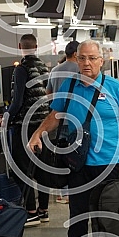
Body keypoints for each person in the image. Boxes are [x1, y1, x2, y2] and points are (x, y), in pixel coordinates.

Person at [28, 40, 119, 237]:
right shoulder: (69, 86)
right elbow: (56, 114)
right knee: (78, 220)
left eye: (92, 58)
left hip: (111, 164)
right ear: (76, 60)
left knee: (118, 217)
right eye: (82, 58)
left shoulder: (114, 87)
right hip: (78, 165)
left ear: (101, 61)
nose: (86, 63)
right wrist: (37, 133)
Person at [6, 33, 50, 227]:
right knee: (41, 169)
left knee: (21, 170)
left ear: (20, 46)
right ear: (37, 46)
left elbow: (17, 100)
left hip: (25, 125)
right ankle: (44, 211)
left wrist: (6, 118)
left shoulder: (21, 69)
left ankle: (31, 212)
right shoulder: (44, 68)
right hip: (43, 125)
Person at [46, 40, 80, 204]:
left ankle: (62, 192)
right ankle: (73, 191)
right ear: (76, 54)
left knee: (61, 156)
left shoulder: (54, 70)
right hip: (77, 122)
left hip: (58, 122)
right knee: (76, 157)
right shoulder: (81, 70)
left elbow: (48, 94)